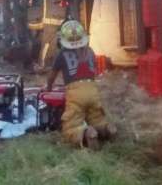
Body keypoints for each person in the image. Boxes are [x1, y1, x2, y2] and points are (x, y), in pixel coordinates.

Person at [46, 20, 116, 150]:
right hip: (92, 89)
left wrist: (48, 88)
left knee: (72, 124)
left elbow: (52, 76)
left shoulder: (62, 54)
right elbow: (92, 71)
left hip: (75, 93)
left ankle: (85, 133)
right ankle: (107, 129)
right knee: (96, 118)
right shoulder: (90, 51)